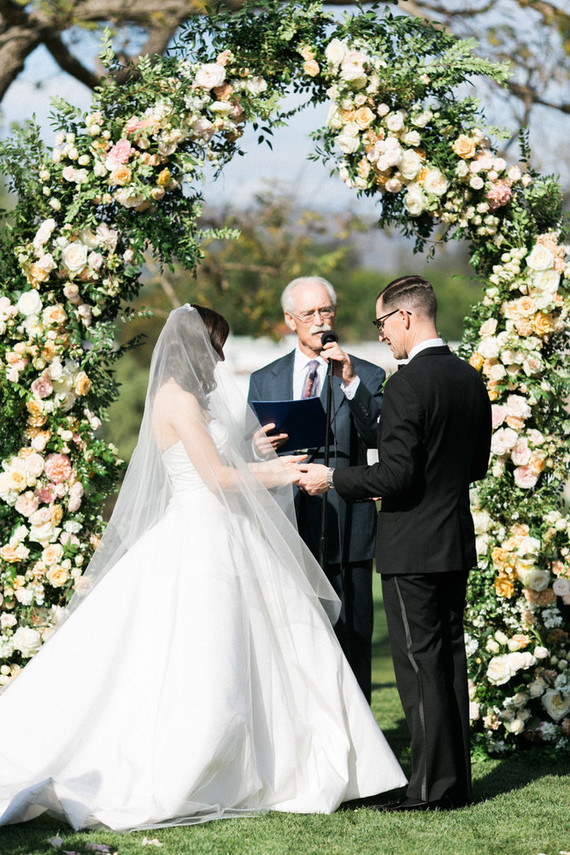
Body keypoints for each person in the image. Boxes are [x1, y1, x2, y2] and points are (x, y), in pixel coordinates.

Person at [0, 304, 406, 832]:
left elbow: (226, 461)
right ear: (198, 346)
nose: (221, 357)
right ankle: (206, 764)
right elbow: (215, 476)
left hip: (228, 530)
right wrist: (278, 472)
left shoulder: (197, 400)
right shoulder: (177, 399)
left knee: (273, 643)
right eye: (218, 345)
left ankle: (293, 762)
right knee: (206, 655)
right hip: (200, 532)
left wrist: (258, 453)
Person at [297, 276, 492, 812]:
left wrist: (332, 479)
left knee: (418, 664)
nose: (380, 335)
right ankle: (455, 783)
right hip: (452, 538)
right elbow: (473, 465)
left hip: (412, 544)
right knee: (448, 663)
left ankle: (429, 789)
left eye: (382, 323)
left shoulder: (408, 384)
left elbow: (398, 475)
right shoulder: (469, 379)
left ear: (405, 317)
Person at [248, 276, 385, 702]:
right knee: (294, 642)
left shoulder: (366, 372)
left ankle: (363, 751)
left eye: (326, 310)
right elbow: (241, 453)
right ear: (290, 320)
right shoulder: (264, 379)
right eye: (309, 313)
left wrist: (348, 379)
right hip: (286, 527)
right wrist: (255, 445)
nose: (320, 320)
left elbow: (377, 435)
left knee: (353, 639)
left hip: (349, 524)